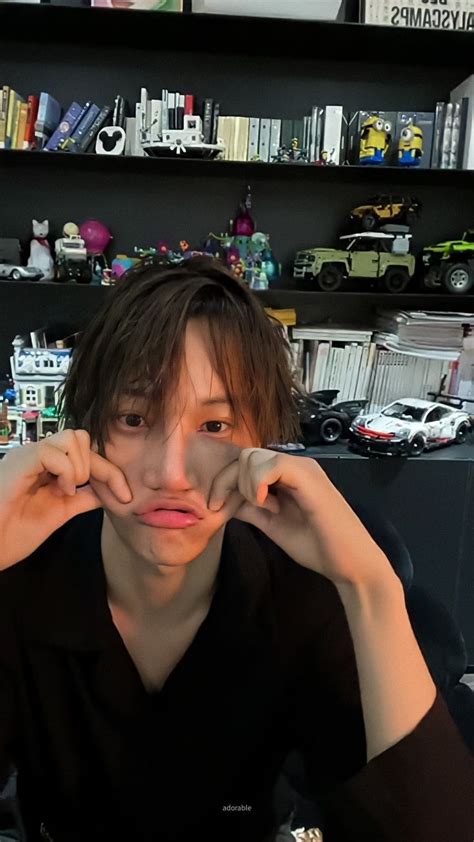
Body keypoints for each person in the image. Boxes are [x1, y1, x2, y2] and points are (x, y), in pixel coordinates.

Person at [0, 257, 472, 842]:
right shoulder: (25, 578)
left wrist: (368, 585)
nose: (172, 473)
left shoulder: (297, 594)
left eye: (216, 426)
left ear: (260, 440)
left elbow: (433, 828)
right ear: (87, 429)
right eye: (132, 418)